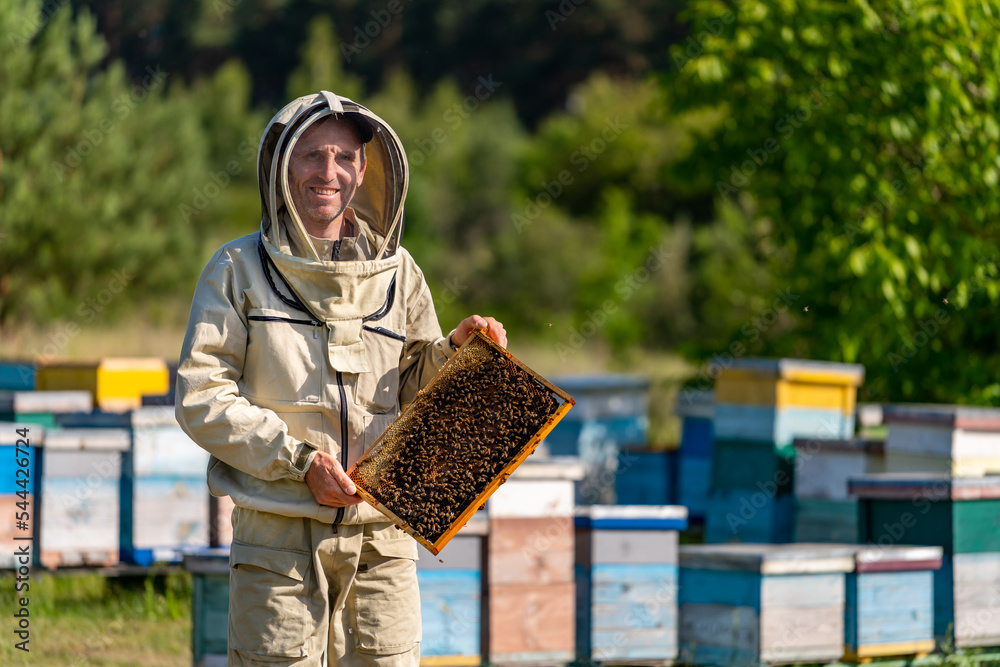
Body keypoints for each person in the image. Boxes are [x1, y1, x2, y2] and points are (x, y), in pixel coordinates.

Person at [175, 90, 506, 667]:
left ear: (364, 169)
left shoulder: (401, 273)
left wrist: (458, 355)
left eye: (344, 157)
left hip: (384, 538)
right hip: (278, 536)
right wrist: (300, 462)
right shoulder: (237, 270)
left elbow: (412, 392)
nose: (328, 173)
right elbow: (201, 396)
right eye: (311, 155)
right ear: (281, 164)